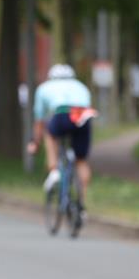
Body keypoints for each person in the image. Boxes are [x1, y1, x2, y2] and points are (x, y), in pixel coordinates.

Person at [27, 63, 95, 205]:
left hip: (62, 113)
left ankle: (54, 170)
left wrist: (35, 142)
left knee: (50, 134)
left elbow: (39, 120)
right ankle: (82, 204)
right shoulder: (81, 86)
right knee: (81, 160)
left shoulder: (44, 88)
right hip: (83, 115)